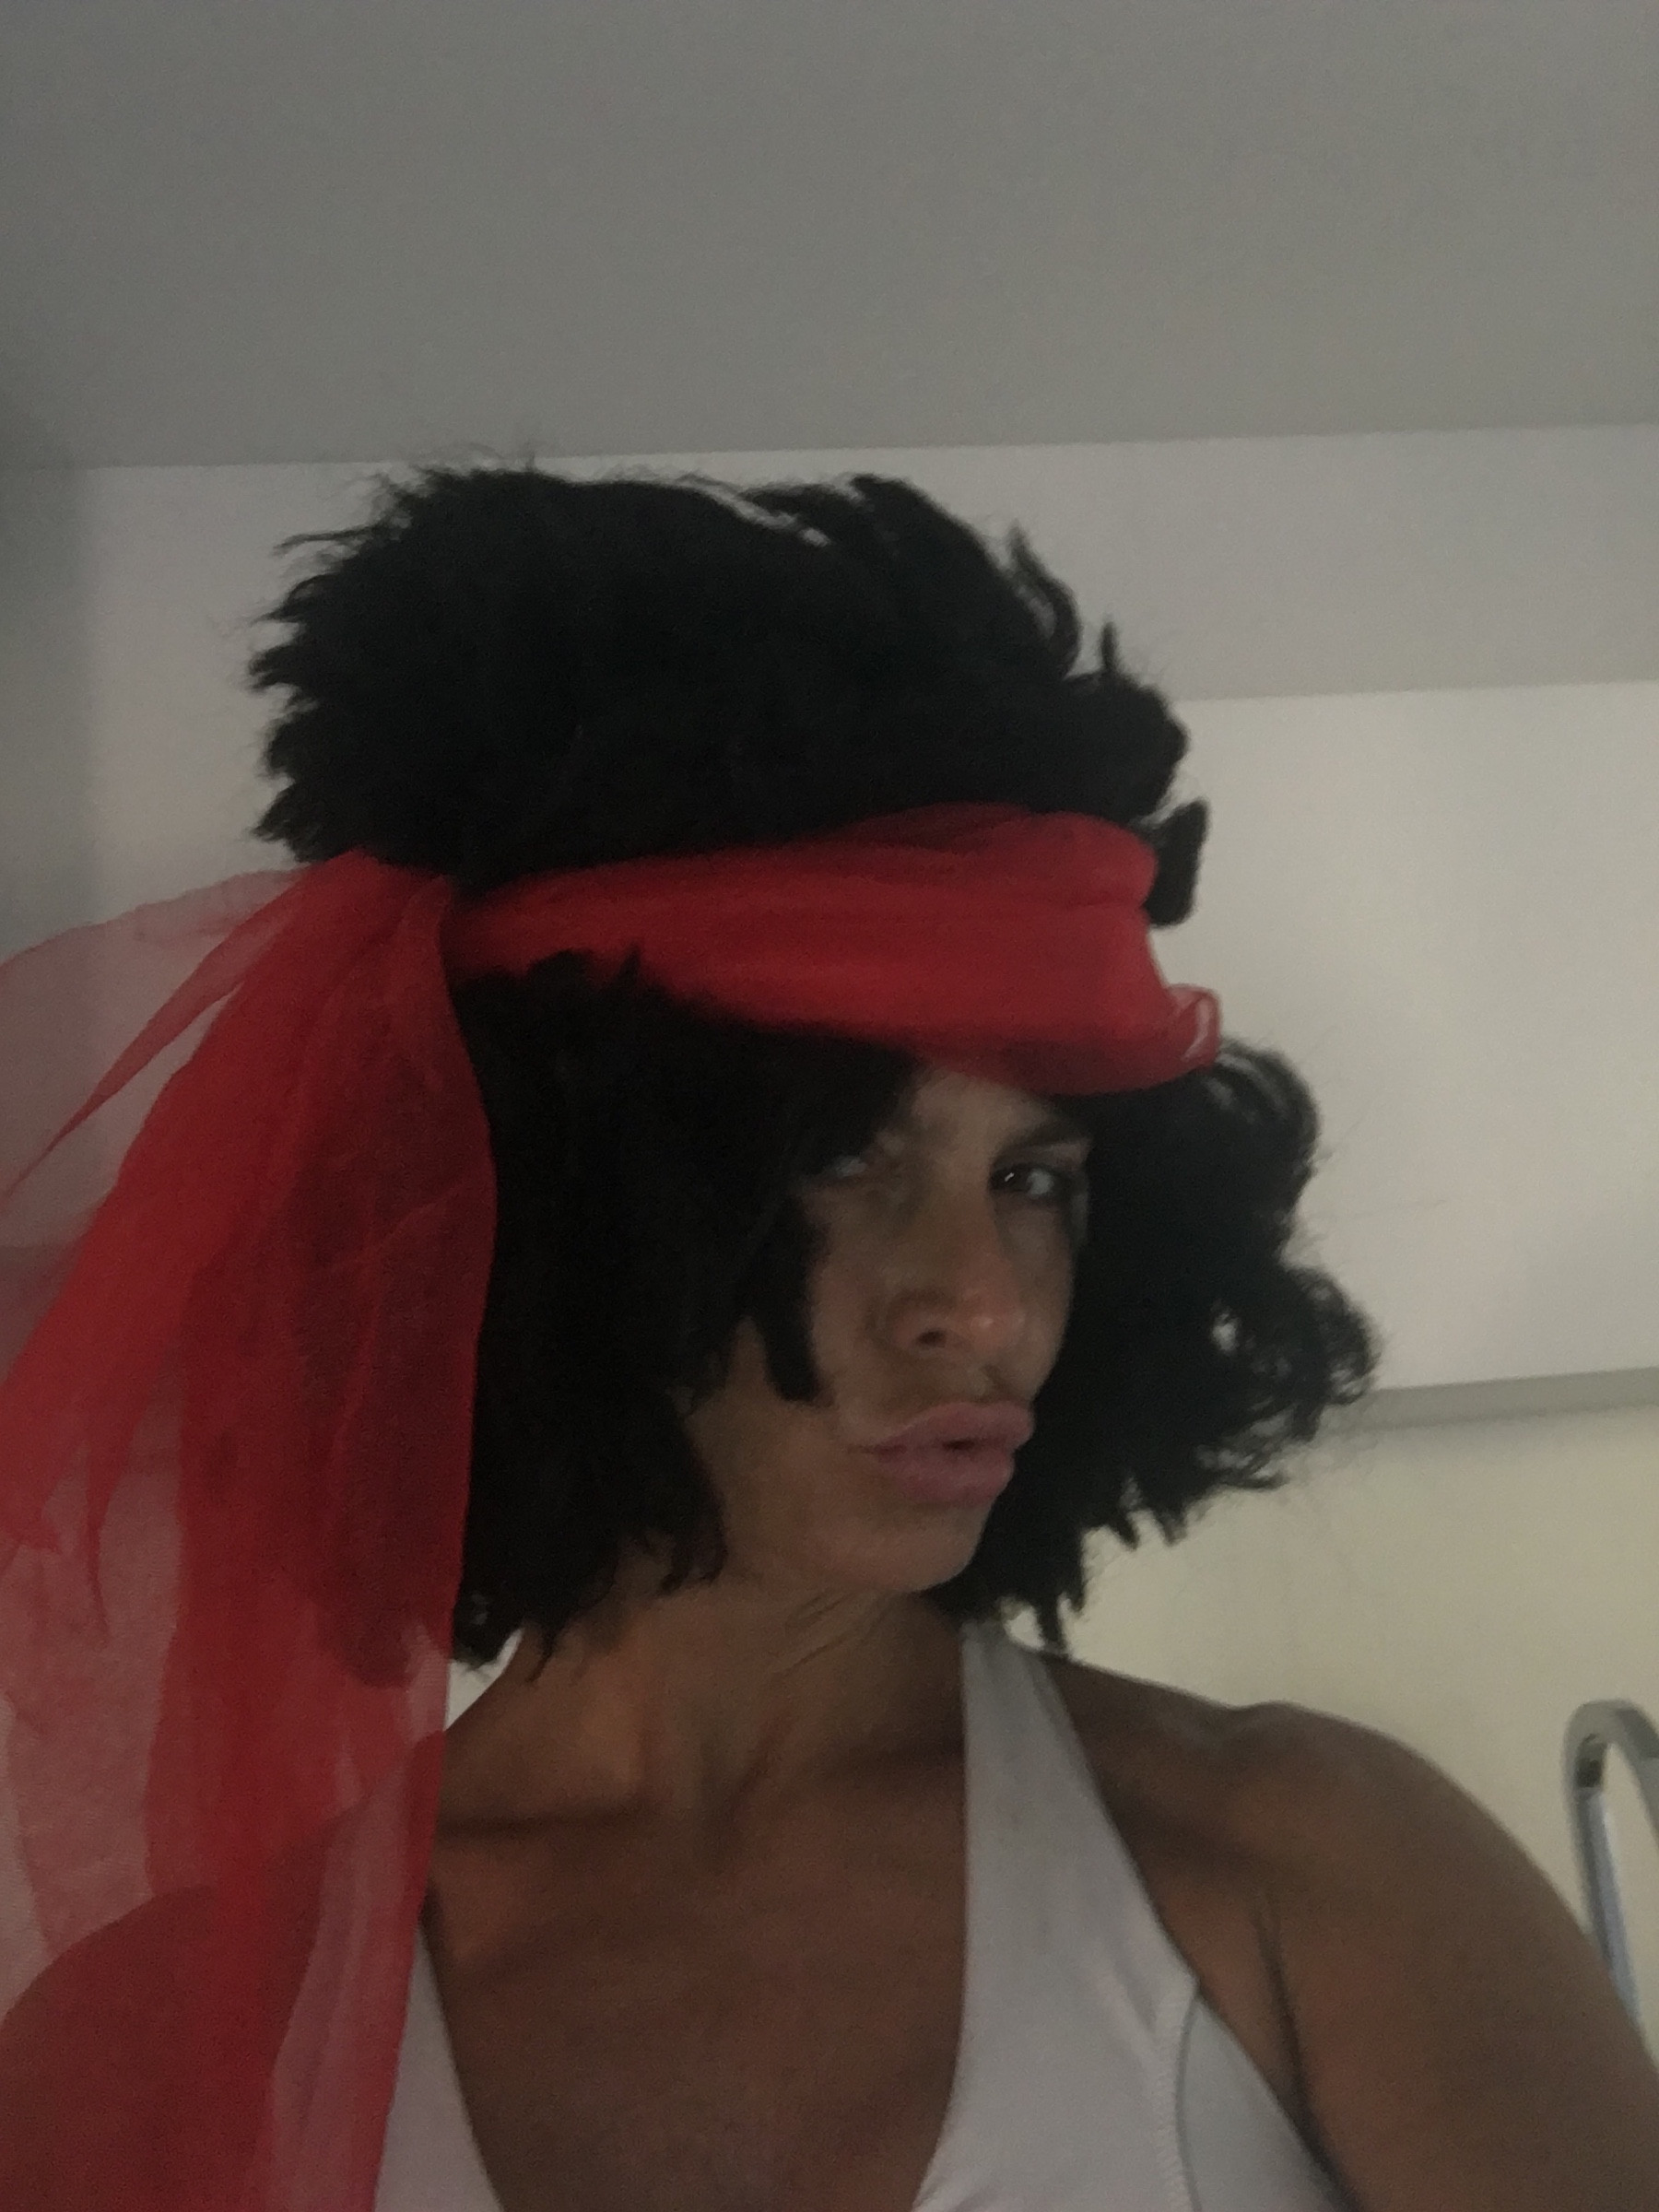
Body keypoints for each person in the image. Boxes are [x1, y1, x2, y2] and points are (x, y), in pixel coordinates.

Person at [1, 466, 1656, 2211]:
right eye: (843, 1156)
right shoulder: (150, 2044)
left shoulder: (1309, 1878)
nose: (986, 1302)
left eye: (1035, 1175)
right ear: (561, 1213)